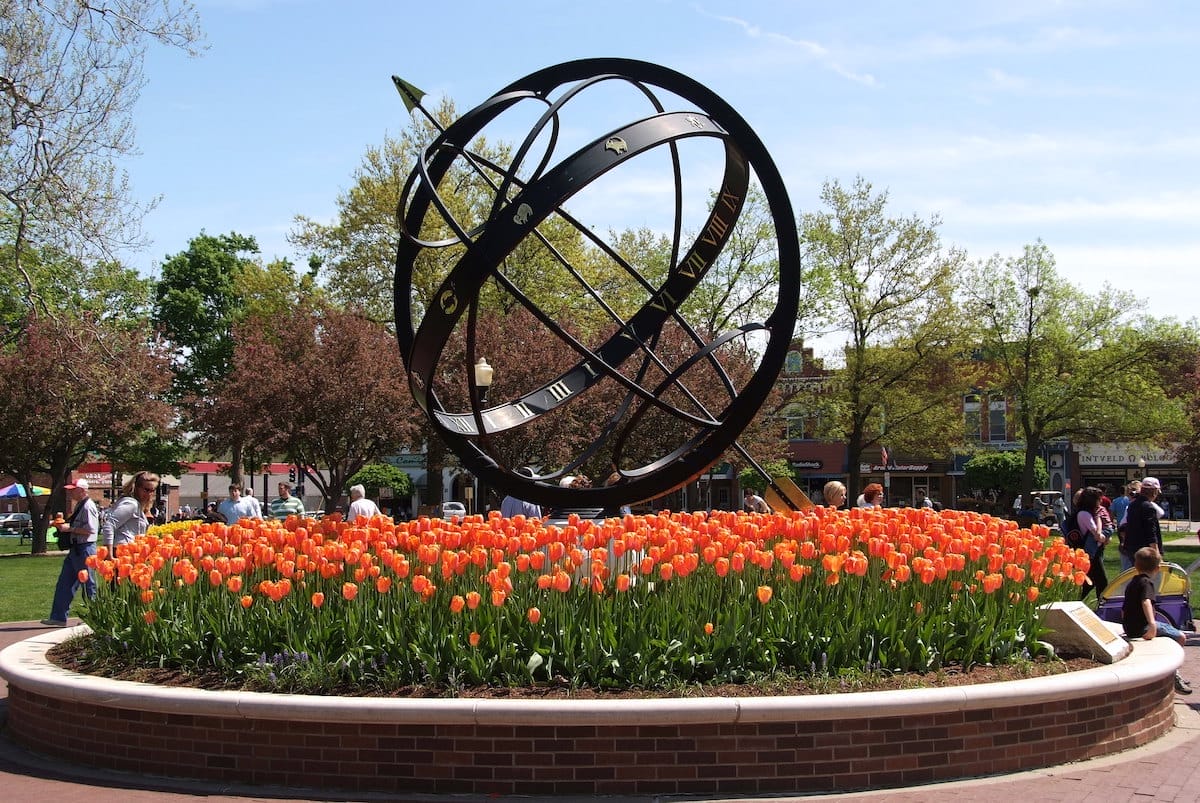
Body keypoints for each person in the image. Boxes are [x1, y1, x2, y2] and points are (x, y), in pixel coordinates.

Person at [1122, 546, 1192, 695]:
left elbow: (1124, 609)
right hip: (1144, 627)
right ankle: (1174, 674)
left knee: (1168, 630)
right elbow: (1146, 601)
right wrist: (1152, 624)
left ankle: (1173, 674)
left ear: (1136, 566)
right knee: (1181, 637)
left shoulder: (1132, 583)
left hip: (1131, 627)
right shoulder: (1147, 583)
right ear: (1158, 568)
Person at [40, 478, 100, 627]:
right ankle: (58, 617)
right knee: (64, 583)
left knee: (89, 584)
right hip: (77, 549)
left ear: (82, 490)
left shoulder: (88, 507)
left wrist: (70, 529)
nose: (70, 492)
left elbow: (91, 530)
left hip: (85, 548)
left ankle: (94, 618)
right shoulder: (81, 505)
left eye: (73, 489)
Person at [103, 471, 160, 551]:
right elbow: (109, 525)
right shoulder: (131, 504)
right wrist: (109, 553)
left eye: (152, 490)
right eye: (146, 490)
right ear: (136, 487)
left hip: (131, 549)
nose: (149, 494)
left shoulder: (140, 505)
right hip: (122, 549)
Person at [1070, 486, 1110, 601]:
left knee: (1090, 582)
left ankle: (1075, 601)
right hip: (1090, 553)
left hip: (1092, 552)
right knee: (1101, 581)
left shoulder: (1089, 513)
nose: (1101, 501)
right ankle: (1102, 606)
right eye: (1099, 499)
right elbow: (1098, 535)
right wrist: (1104, 537)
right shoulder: (1084, 514)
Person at [1121, 477, 1165, 572]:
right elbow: (1151, 532)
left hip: (1132, 548)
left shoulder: (1132, 505)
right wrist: (1157, 553)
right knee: (1149, 578)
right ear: (1154, 492)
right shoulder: (1148, 507)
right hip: (1146, 552)